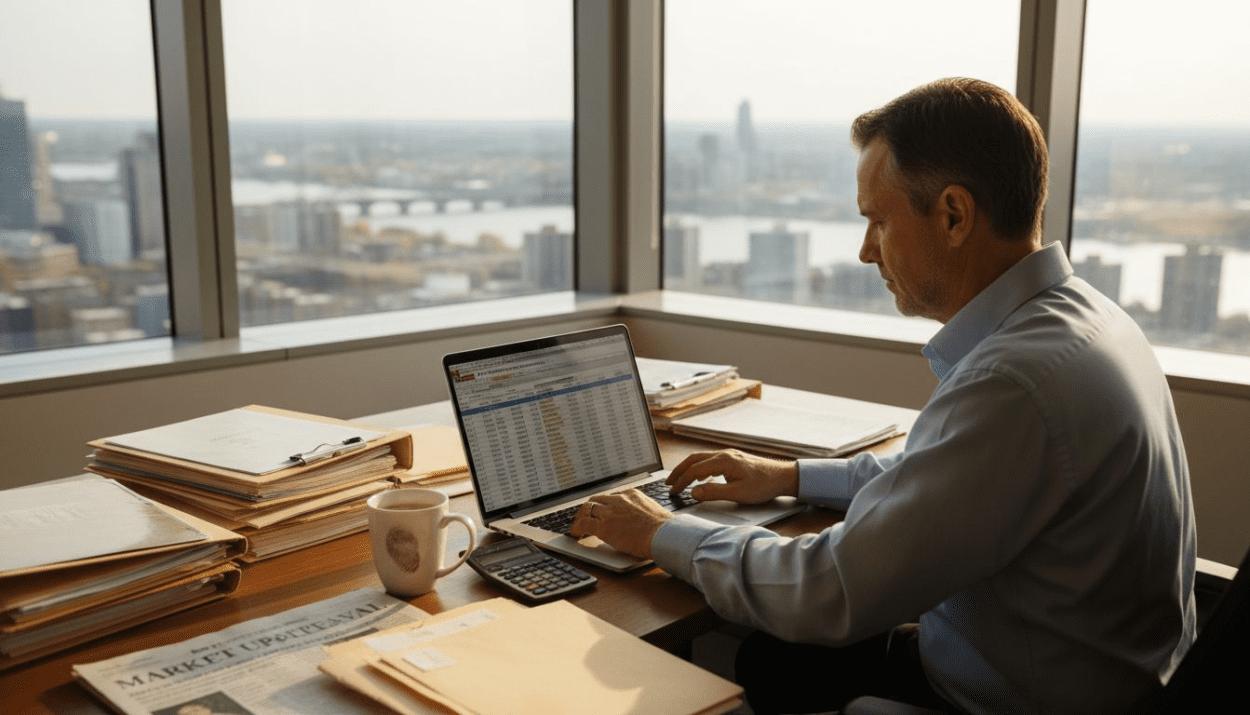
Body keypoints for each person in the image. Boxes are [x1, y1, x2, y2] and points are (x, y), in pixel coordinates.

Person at [570, 78, 1196, 715]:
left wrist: (660, 532)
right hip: (1073, 671)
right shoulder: (1084, 320)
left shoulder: (1015, 381)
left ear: (953, 214)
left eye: (877, 220)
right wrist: (788, 475)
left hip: (1010, 699)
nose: (866, 251)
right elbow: (944, 476)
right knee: (768, 659)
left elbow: (827, 591)